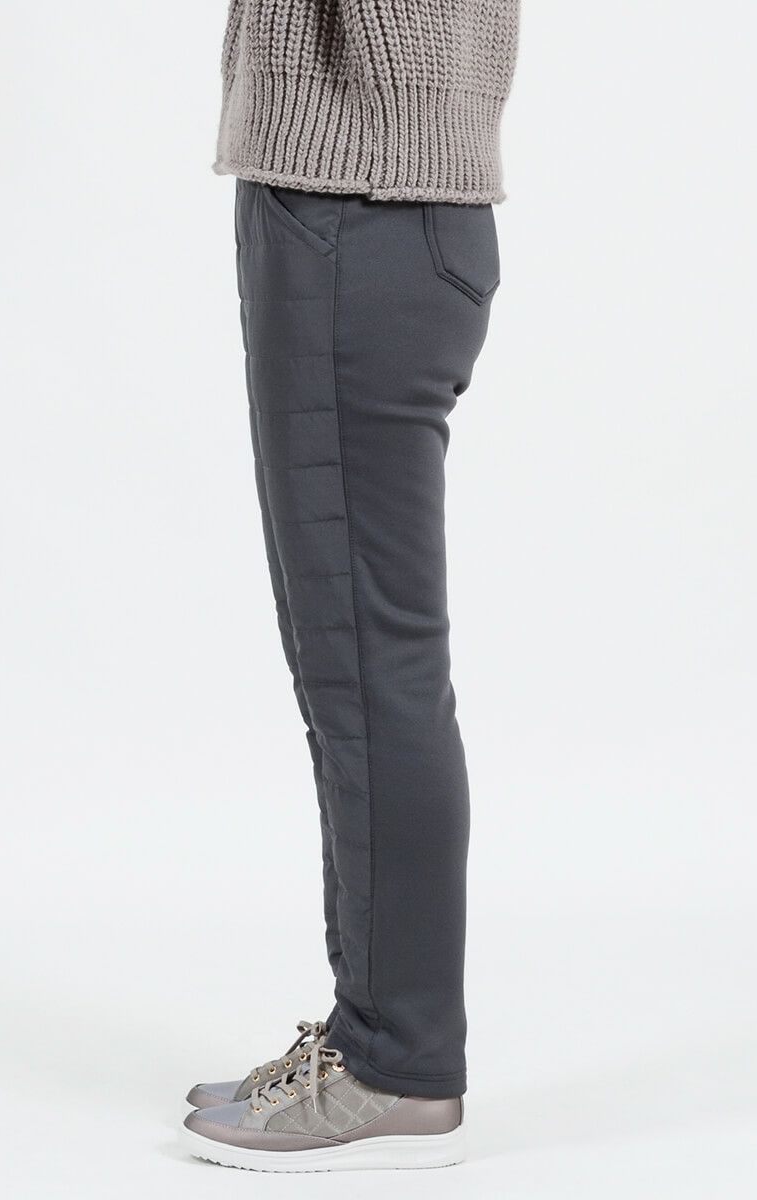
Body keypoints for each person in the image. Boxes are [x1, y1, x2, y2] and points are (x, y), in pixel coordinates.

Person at [183, 0, 520, 1172]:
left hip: (359, 209)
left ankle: (398, 1069)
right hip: (365, 204)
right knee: (361, 666)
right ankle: (369, 1034)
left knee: (369, 670)